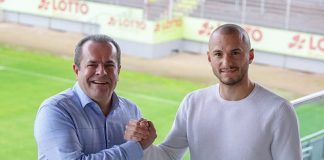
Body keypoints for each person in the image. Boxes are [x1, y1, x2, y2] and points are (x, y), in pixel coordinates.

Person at [124, 24, 303, 160]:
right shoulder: (193, 102)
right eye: (218, 54)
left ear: (250, 56)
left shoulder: (279, 111)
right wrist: (144, 145)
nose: (226, 62)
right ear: (209, 58)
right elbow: (169, 154)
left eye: (235, 52)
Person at [34, 34, 151, 159]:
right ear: (76, 70)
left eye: (109, 65)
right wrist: (135, 148)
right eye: (92, 65)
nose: (102, 71)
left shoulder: (131, 110)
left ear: (118, 71)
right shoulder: (55, 110)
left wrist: (145, 137)